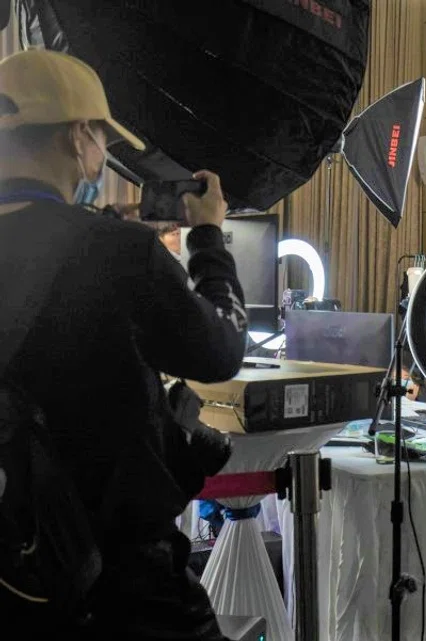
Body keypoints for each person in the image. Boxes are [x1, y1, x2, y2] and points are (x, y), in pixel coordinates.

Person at [0, 49, 247, 639]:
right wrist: (208, 238)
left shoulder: (106, 244)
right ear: (78, 134)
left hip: (14, 562)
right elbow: (220, 350)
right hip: (120, 575)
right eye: (102, 139)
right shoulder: (115, 251)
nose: (102, 154)